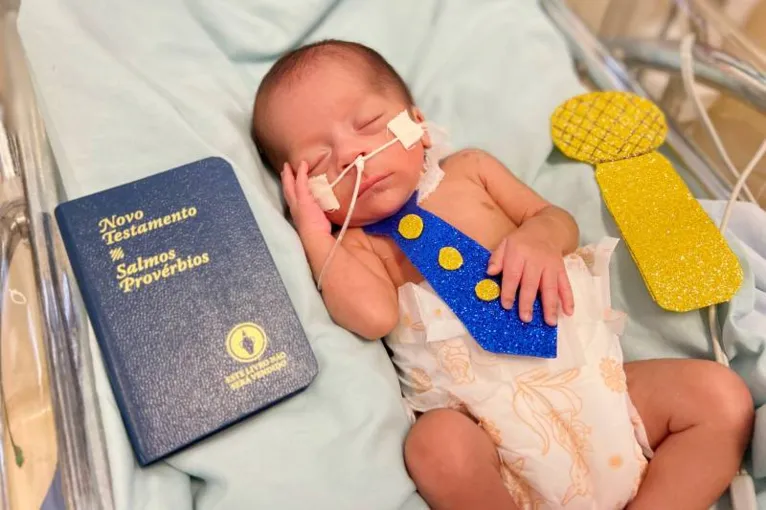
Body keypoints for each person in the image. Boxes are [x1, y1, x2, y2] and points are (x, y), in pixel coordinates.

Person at [251, 39, 754, 509]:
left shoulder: (470, 171)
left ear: (417, 125)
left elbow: (559, 222)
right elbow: (371, 315)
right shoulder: (357, 244)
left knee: (720, 398)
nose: (352, 155)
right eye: (319, 163)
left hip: (600, 385)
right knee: (435, 447)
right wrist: (315, 233)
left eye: (368, 123)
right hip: (486, 425)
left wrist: (537, 238)